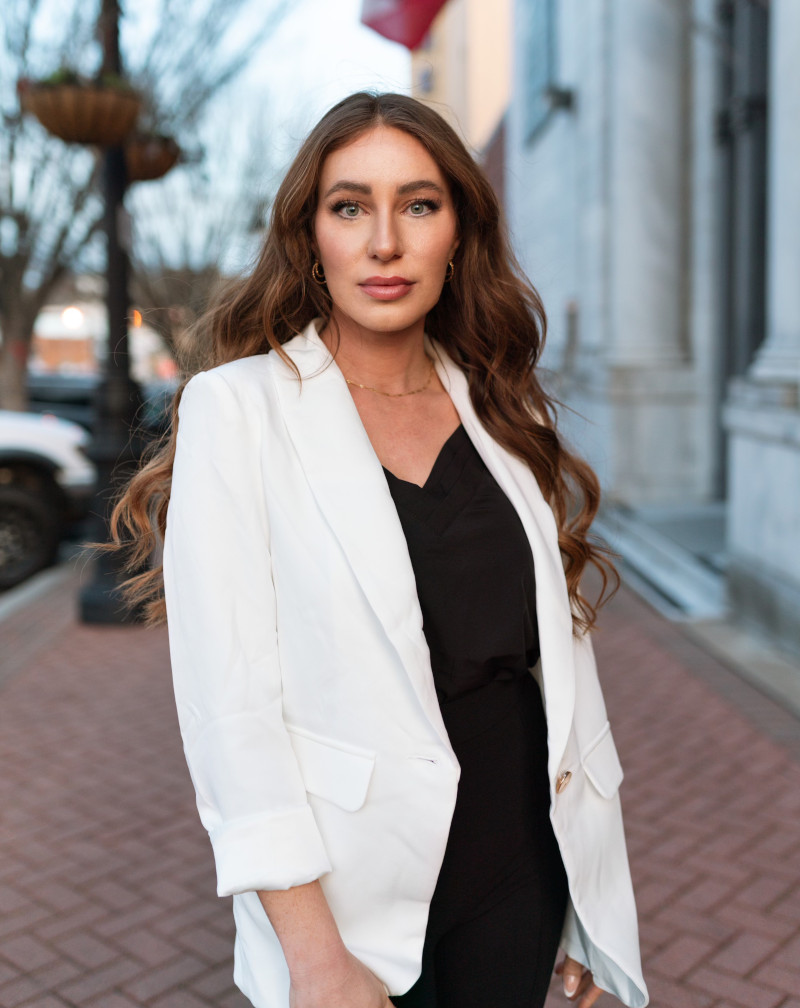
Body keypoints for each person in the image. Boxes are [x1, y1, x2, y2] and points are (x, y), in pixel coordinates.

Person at [110, 92, 648, 1008]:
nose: (385, 242)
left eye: (420, 205)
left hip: (521, 862)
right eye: (351, 206)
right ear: (310, 235)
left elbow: (557, 676)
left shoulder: (504, 406)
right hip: (350, 899)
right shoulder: (239, 409)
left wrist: (592, 898)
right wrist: (314, 955)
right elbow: (230, 713)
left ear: (459, 234)